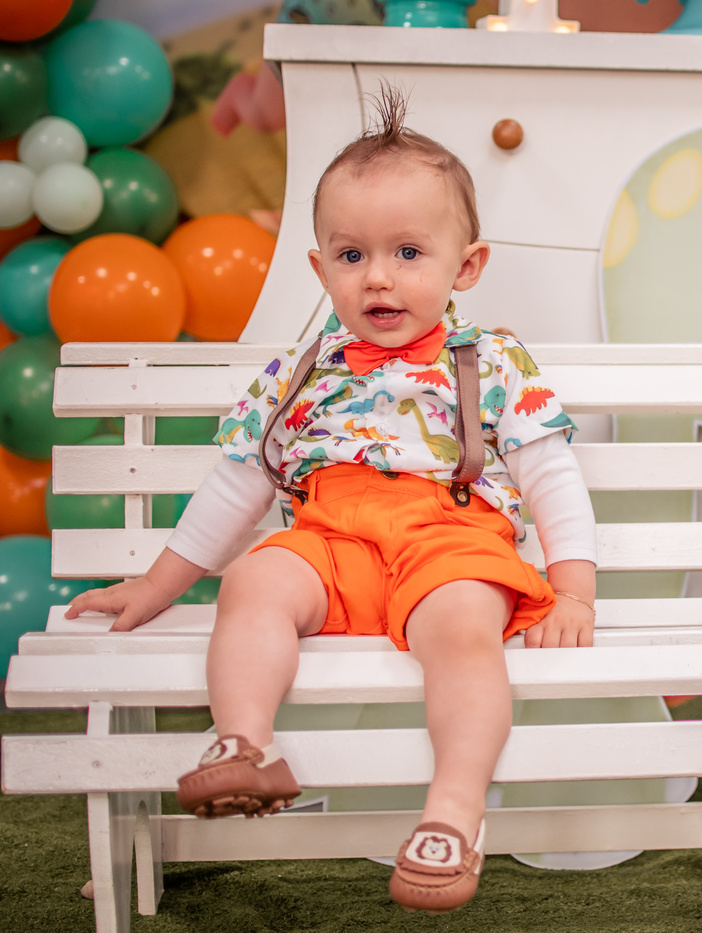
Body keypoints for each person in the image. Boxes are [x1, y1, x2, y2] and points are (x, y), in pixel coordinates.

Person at [64, 88, 597, 915]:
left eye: (408, 252)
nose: (378, 276)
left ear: (465, 266)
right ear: (320, 270)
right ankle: (246, 746)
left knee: (465, 628)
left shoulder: (489, 360)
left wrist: (573, 590)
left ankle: (453, 814)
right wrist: (159, 585)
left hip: (449, 538)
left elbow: (551, 474)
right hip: (332, 539)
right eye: (352, 255)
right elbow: (239, 484)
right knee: (253, 581)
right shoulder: (301, 371)